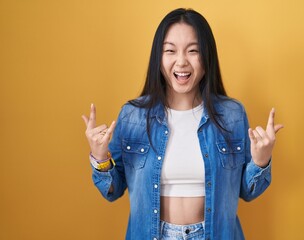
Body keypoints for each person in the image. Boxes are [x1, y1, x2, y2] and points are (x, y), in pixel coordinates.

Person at [82, 8, 283, 240]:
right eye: (170, 51)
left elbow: (247, 192)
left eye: (193, 51)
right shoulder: (133, 115)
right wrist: (100, 158)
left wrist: (261, 159)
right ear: (158, 58)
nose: (181, 61)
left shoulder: (232, 114)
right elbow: (112, 191)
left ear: (207, 58)